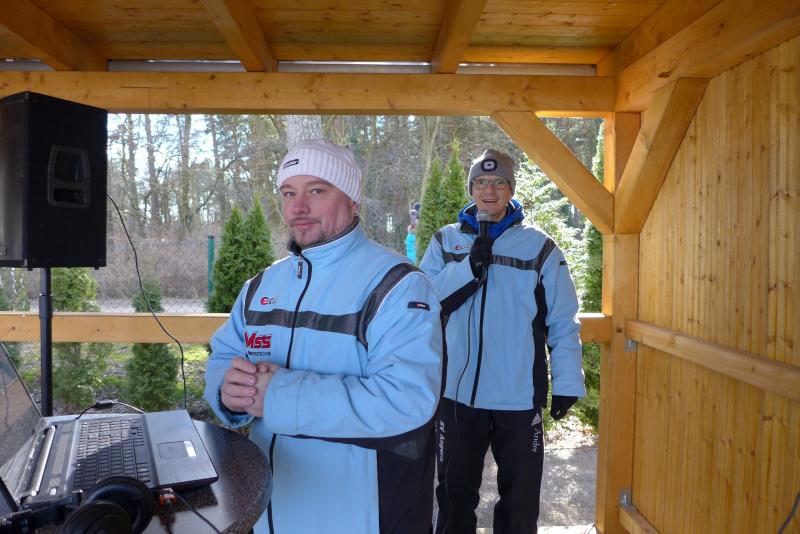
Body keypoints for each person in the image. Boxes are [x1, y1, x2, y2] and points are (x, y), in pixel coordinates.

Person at [204, 139, 443, 534]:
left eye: (316, 190)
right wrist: (227, 393)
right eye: (288, 193)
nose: (298, 206)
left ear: (352, 200)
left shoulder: (397, 285)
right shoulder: (261, 286)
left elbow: (408, 400)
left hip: (362, 516)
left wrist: (278, 395)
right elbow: (223, 357)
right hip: (269, 512)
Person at [419, 149, 585, 533]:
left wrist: (567, 382)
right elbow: (422, 303)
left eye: (498, 183)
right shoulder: (445, 241)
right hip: (458, 396)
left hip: (517, 396)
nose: (489, 191)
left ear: (511, 189)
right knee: (453, 496)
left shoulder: (539, 248)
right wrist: (467, 268)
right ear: (471, 188)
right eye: (481, 182)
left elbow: (563, 320)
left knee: (520, 501)